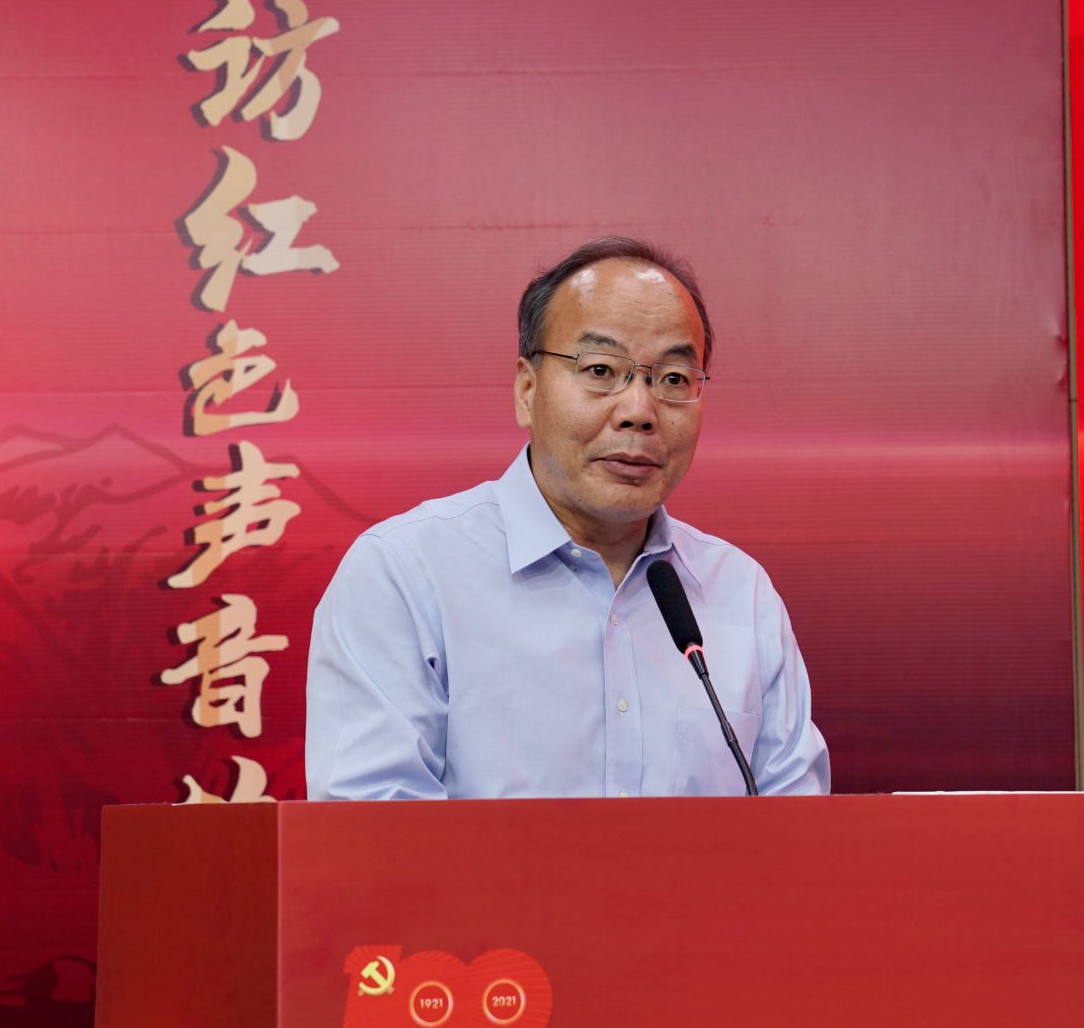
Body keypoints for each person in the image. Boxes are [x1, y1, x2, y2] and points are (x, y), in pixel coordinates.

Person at [306, 237, 830, 799]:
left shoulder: (740, 592)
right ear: (527, 390)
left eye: (674, 379)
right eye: (601, 369)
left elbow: (796, 828)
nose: (639, 411)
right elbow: (368, 832)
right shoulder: (406, 575)